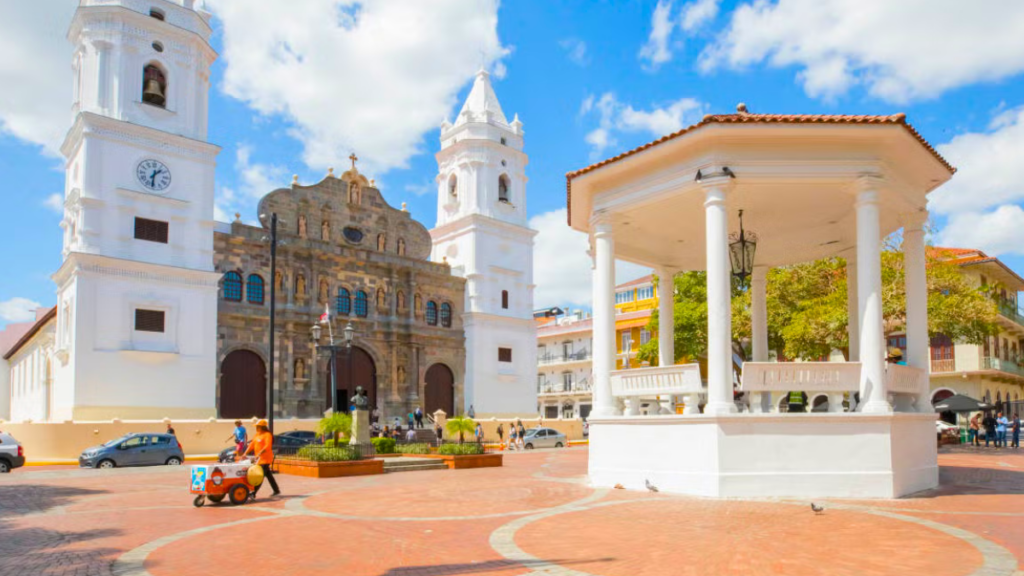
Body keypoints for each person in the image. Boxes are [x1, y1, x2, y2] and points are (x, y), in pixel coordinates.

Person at [241, 419, 279, 497]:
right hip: (260, 459)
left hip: (265, 459)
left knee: (259, 476)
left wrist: (259, 453)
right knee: (268, 475)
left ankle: (253, 493)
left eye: (258, 426)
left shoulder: (267, 435)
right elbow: (251, 445)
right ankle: (276, 490)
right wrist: (245, 453)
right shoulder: (257, 434)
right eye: (256, 426)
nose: (257, 428)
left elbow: (267, 446)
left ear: (262, 427)